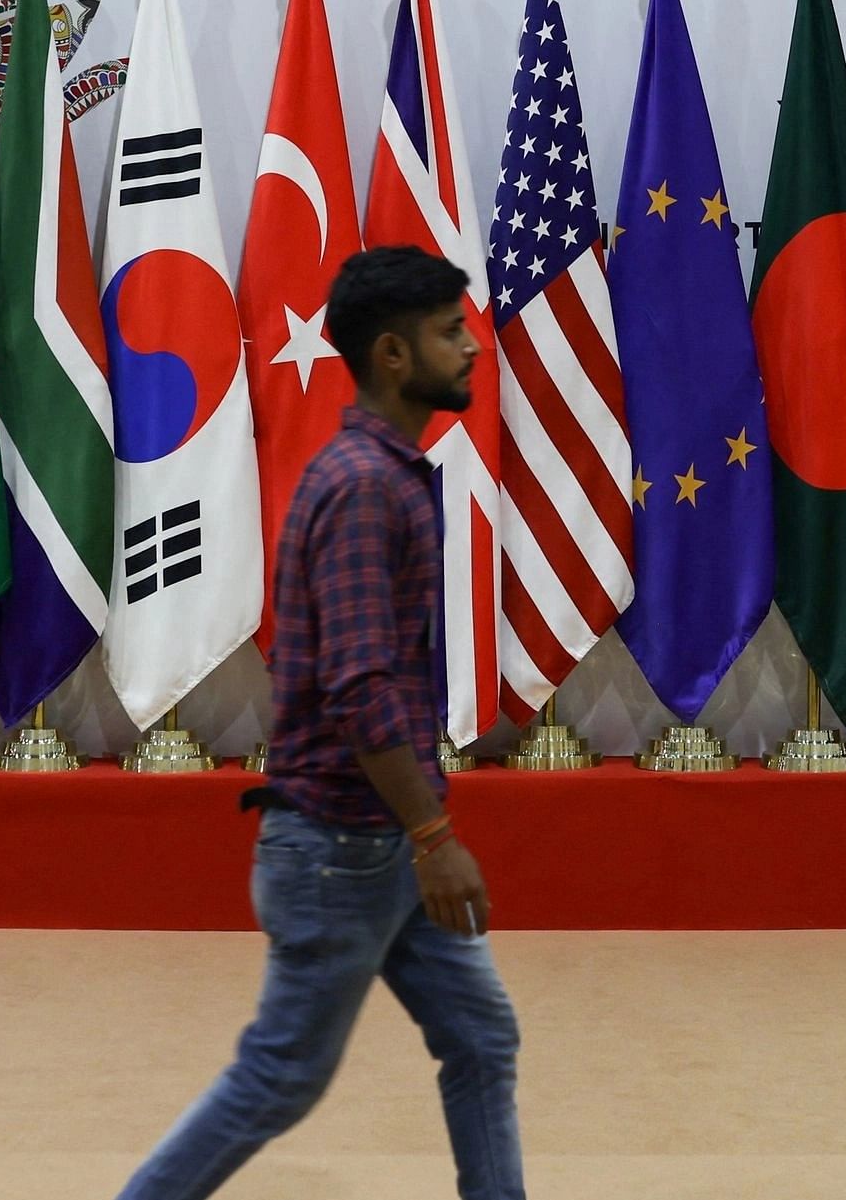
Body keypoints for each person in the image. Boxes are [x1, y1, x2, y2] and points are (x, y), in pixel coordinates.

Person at [121, 245, 521, 1199]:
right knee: (281, 1074)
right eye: (448, 331)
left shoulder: (383, 471)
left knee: (480, 1037)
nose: (471, 347)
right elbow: (359, 688)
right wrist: (433, 833)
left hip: (371, 840)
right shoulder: (364, 488)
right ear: (391, 354)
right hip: (344, 849)